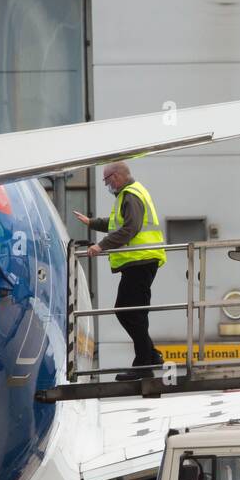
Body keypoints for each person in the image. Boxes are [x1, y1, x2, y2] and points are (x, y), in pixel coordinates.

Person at [74, 162, 165, 381]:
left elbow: (129, 229)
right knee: (132, 312)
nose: (107, 185)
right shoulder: (129, 194)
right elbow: (118, 224)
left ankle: (145, 363)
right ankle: (150, 357)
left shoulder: (130, 195)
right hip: (139, 261)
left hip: (140, 260)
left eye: (107, 181)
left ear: (116, 177)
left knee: (128, 312)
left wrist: (101, 246)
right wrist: (92, 222)